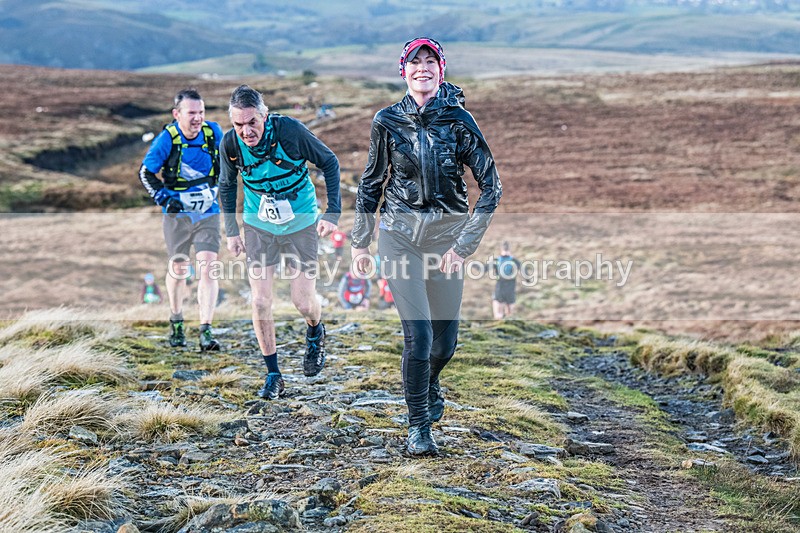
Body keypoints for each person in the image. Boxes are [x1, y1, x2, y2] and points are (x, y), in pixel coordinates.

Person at [351, 38, 502, 456]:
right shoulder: (386, 121)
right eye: (414, 62)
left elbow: (491, 186)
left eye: (430, 61)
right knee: (417, 336)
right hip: (398, 237)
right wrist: (361, 243)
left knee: (443, 345)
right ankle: (419, 427)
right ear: (404, 70)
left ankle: (431, 381)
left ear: (441, 69)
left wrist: (463, 247)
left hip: (446, 243)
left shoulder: (458, 120)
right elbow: (371, 182)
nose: (422, 67)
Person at [219, 85, 341, 400]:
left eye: (252, 123)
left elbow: (329, 162)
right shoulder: (231, 143)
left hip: (300, 223)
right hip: (259, 226)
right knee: (260, 301)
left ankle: (315, 330)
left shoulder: (290, 132)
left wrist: (333, 213)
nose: (245, 131)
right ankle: (273, 374)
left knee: (302, 301)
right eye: (238, 124)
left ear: (265, 116)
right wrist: (232, 230)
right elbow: (227, 183)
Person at [139, 89, 223, 351]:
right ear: (177, 114)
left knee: (208, 267)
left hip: (208, 212)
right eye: (191, 113)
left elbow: (232, 161)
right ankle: (176, 319)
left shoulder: (213, 133)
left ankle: (206, 330)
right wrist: (165, 199)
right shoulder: (168, 139)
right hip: (177, 215)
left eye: (201, 112)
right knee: (179, 269)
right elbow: (146, 173)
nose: (197, 118)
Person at [493, 241, 521, 319]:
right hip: (510, 288)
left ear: (501, 249)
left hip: (500, 288)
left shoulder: (497, 260)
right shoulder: (514, 261)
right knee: (510, 315)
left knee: (498, 314)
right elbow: (524, 272)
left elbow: (483, 269)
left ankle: (498, 328)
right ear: (510, 249)